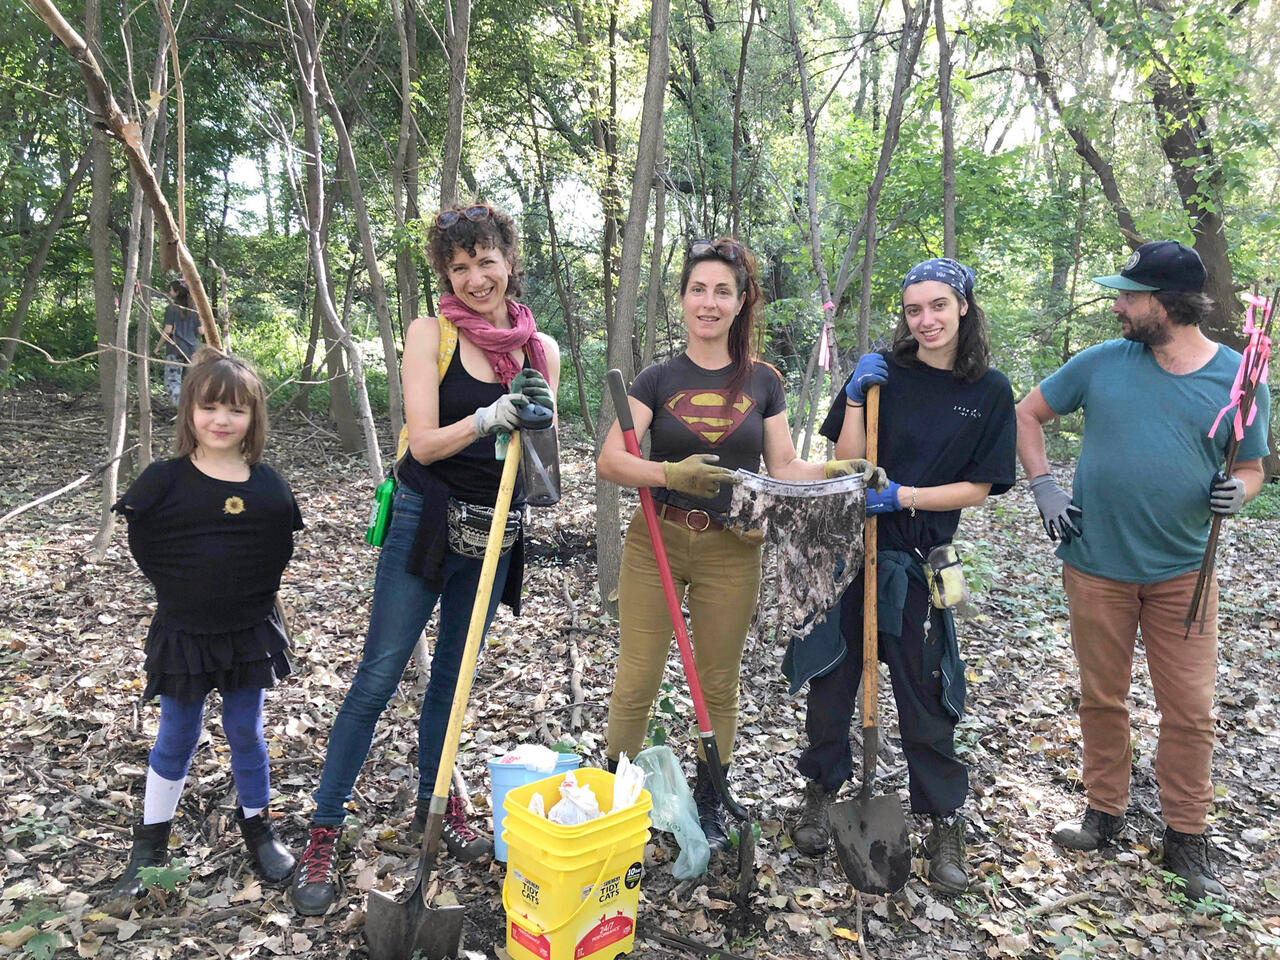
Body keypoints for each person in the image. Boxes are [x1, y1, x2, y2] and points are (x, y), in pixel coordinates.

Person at [292, 202, 560, 916]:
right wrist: (488, 417)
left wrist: (534, 424)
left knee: (452, 678)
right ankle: (325, 827)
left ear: (510, 259)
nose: (476, 278)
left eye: (486, 261)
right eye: (460, 266)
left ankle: (433, 802)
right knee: (379, 675)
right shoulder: (429, 334)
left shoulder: (542, 352)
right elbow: (421, 443)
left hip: (496, 528)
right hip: (424, 519)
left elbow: (541, 471)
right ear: (446, 272)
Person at [596, 236, 881, 852]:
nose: (709, 301)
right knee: (637, 679)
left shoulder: (763, 381)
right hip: (657, 542)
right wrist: (672, 474)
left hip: (734, 546)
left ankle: (711, 795)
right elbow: (611, 462)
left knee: (719, 681)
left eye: (722, 291)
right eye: (698, 289)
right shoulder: (656, 377)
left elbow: (784, 467)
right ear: (681, 299)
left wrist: (844, 471)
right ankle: (612, 798)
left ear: (740, 300)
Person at [1015, 241, 1270, 900]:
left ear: (1169, 303)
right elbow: (1027, 413)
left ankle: (1186, 835)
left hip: (1185, 570)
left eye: (1130, 294)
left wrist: (1238, 492)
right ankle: (1105, 812)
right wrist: (1043, 484)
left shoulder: (1240, 378)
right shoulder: (1102, 362)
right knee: (1103, 697)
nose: (1119, 304)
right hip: (1096, 564)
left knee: (1188, 711)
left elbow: (1251, 465)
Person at [790, 257, 1016, 895]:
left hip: (920, 562)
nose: (926, 320)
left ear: (963, 307)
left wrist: (909, 495)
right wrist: (858, 396)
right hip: (852, 551)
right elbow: (845, 461)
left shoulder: (989, 391)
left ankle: (943, 817)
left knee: (925, 691)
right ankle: (820, 790)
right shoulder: (885, 374)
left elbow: (980, 486)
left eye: (939, 306)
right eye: (915, 309)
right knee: (833, 681)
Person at [108, 348, 302, 899]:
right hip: (184, 633)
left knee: (247, 732)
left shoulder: (267, 485)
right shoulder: (163, 480)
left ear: (253, 419)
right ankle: (150, 844)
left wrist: (247, 596)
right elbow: (144, 542)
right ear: (189, 410)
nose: (222, 419)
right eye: (210, 406)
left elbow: (277, 545)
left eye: (236, 410)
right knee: (176, 736)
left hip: (248, 632)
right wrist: (184, 592)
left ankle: (258, 828)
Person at [161, 279, 201, 406]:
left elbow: (167, 330)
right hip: (193, 351)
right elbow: (201, 331)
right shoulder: (195, 309)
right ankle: (192, 409)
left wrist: (158, 347)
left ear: (177, 293)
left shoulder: (172, 309)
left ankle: (181, 411)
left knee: (173, 382)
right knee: (189, 383)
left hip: (176, 350)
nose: (169, 292)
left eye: (171, 290)